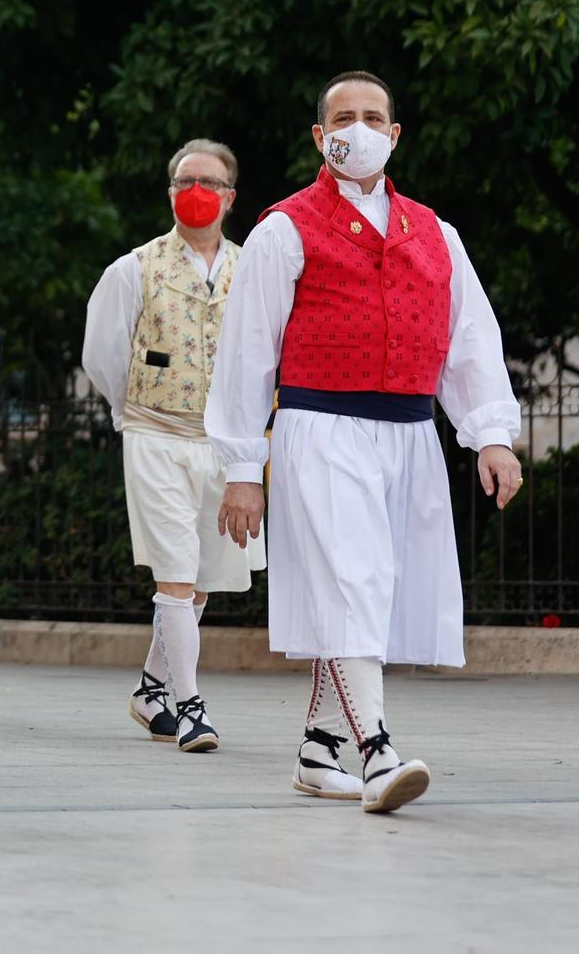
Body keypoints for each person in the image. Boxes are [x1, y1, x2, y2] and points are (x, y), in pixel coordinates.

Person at [206, 71, 523, 814]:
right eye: (343, 117)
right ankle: (377, 751)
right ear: (320, 137)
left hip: (410, 433)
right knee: (354, 578)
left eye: (372, 115)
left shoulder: (435, 233)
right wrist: (243, 467)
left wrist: (492, 436)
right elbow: (247, 354)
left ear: (395, 132)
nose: (359, 127)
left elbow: (469, 342)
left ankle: (320, 750)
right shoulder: (284, 228)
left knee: (370, 592)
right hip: (321, 426)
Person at [83, 140, 261, 753]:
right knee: (176, 576)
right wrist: (129, 414)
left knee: (204, 577)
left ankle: (152, 688)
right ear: (170, 191)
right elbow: (103, 356)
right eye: (186, 180)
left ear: (230, 197)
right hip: (155, 432)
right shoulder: (134, 268)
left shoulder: (250, 270)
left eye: (209, 182)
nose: (197, 191)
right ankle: (191, 708)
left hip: (222, 443)